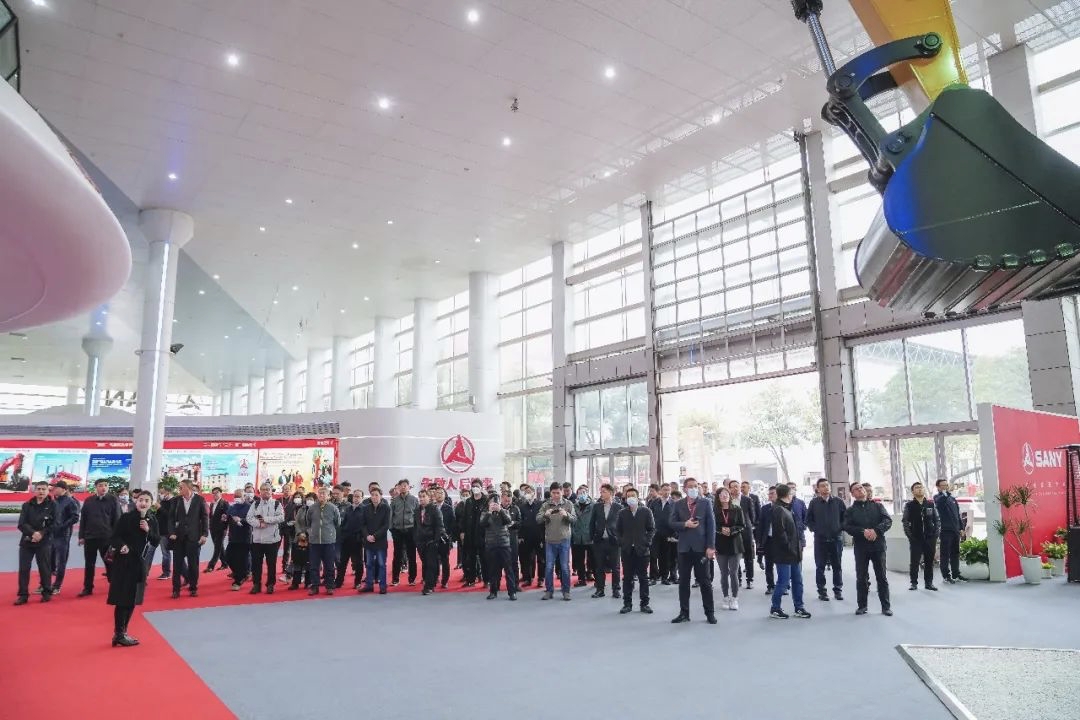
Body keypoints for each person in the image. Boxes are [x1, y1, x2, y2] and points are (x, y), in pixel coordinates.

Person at [106, 490, 160, 647]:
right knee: (122, 599)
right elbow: (114, 537)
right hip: (123, 562)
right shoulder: (126, 518)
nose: (143, 503)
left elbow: (156, 541)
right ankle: (119, 633)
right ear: (136, 501)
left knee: (133, 599)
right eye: (140, 500)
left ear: (151, 503)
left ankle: (122, 632)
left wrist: (148, 530)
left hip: (139, 563)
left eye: (147, 500)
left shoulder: (152, 520)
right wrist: (121, 546)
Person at [669, 478, 717, 624]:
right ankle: (684, 613)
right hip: (684, 549)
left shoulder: (706, 503)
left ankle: (710, 613)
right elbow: (672, 523)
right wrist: (685, 524)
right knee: (683, 582)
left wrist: (711, 546)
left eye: (696, 486)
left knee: (705, 582)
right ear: (684, 489)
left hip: (701, 548)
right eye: (690, 486)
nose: (694, 489)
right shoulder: (678, 504)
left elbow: (711, 525)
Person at [844, 482, 893, 616]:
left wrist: (876, 531)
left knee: (881, 577)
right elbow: (847, 527)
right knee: (861, 577)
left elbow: (887, 521)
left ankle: (886, 607)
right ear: (852, 494)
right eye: (856, 489)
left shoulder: (878, 506)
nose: (860, 490)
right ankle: (862, 606)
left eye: (861, 487)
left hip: (878, 546)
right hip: (861, 548)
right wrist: (863, 531)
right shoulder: (850, 511)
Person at [768, 484, 811, 620]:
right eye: (792, 493)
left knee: (797, 581)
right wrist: (789, 548)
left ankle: (799, 607)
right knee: (783, 582)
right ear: (787, 495)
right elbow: (780, 533)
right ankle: (775, 608)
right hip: (784, 554)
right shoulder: (779, 509)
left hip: (794, 552)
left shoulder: (786, 508)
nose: (793, 495)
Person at [77, 478, 121, 597]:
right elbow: (83, 519)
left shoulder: (113, 500)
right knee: (89, 564)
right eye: (101, 485)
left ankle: (114, 586)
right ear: (96, 487)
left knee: (110, 562)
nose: (103, 488)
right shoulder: (89, 501)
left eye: (106, 485)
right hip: (90, 537)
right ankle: (87, 588)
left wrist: (116, 538)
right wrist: (81, 536)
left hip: (107, 538)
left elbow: (117, 519)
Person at [806, 478, 846, 602]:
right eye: (822, 486)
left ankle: (838, 590)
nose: (826, 487)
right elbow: (808, 519)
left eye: (827, 485)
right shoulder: (814, 503)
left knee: (837, 566)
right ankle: (822, 591)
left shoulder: (838, 502)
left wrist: (839, 528)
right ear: (818, 489)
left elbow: (845, 518)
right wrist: (816, 529)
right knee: (820, 566)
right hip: (820, 540)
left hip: (836, 539)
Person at [15, 481, 55, 605]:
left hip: (44, 542)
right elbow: (22, 524)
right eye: (39, 489)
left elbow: (55, 524)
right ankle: (23, 595)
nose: (41, 491)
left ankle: (46, 592)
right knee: (24, 568)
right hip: (27, 541)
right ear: (34, 490)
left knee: (44, 568)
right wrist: (33, 533)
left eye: (43, 489)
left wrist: (41, 534)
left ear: (48, 491)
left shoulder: (53, 505)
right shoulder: (27, 505)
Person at [616, 487, 655, 615]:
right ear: (625, 499)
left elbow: (651, 529)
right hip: (627, 550)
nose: (631, 498)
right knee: (627, 578)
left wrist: (646, 542)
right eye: (628, 496)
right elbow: (618, 530)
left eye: (633, 495)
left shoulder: (646, 511)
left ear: (638, 497)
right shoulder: (622, 513)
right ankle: (627, 604)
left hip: (642, 550)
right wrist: (622, 542)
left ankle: (645, 604)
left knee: (643, 578)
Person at [168, 479, 208, 599]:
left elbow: (205, 518)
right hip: (178, 537)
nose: (179, 489)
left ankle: (193, 588)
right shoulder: (175, 500)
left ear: (188, 488)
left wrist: (204, 534)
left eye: (181, 487)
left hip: (194, 537)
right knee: (177, 565)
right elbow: (170, 518)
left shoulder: (200, 500)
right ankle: (176, 589)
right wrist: (171, 532)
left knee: (193, 565)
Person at [537, 483, 576, 601]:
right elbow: (538, 519)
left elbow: (574, 519)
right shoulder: (545, 505)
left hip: (564, 540)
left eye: (558, 493)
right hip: (550, 540)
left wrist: (566, 515)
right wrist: (545, 515)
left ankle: (566, 591)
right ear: (550, 493)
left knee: (564, 567)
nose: (556, 495)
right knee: (549, 567)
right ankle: (549, 591)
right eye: (553, 493)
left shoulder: (568, 504)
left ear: (562, 492)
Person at [247, 483, 284, 595]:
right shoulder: (255, 503)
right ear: (260, 492)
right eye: (263, 489)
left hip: (272, 540)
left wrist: (266, 520)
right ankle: (256, 584)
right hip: (257, 540)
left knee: (271, 564)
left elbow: (281, 517)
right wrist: (259, 524)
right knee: (256, 564)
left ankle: (270, 584)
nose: (266, 491)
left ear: (271, 491)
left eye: (268, 489)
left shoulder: (276, 503)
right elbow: (249, 518)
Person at [903, 482, 940, 592]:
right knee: (915, 562)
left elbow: (937, 520)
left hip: (930, 538)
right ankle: (914, 583)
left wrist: (935, 534)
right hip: (916, 538)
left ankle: (929, 583)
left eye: (921, 487)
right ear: (913, 491)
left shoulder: (930, 504)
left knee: (929, 561)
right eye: (917, 488)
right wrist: (910, 536)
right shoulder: (909, 505)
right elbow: (905, 521)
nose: (919, 489)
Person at [480, 493, 517, 600]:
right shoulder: (485, 513)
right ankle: (493, 591)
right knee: (493, 570)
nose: (494, 504)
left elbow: (508, 521)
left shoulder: (504, 511)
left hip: (504, 544)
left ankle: (512, 592)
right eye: (492, 502)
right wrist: (489, 512)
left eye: (496, 502)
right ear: (488, 503)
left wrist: (500, 510)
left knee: (508, 569)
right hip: (491, 544)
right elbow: (482, 524)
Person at [713, 487, 745, 611]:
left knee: (733, 572)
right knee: (724, 573)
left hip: (735, 543)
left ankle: (735, 598)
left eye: (726, 493)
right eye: (721, 494)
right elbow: (712, 525)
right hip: (720, 543)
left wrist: (731, 530)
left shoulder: (737, 509)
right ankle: (725, 597)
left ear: (729, 495)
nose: (724, 496)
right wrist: (721, 530)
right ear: (718, 497)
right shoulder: (714, 510)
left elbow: (742, 525)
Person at [306, 485, 341, 596]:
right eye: (320, 493)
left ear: (328, 496)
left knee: (329, 565)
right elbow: (308, 522)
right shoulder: (312, 508)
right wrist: (311, 533)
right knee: (314, 566)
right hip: (314, 542)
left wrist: (330, 532)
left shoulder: (333, 508)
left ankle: (329, 586)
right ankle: (314, 586)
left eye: (324, 493)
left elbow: (338, 522)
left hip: (329, 542)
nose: (321, 495)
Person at [589, 484, 621, 600]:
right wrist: (592, 538)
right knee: (599, 566)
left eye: (604, 491)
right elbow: (592, 523)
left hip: (614, 541)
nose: (601, 494)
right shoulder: (597, 506)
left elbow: (622, 524)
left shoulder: (618, 507)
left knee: (615, 567)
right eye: (601, 491)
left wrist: (620, 538)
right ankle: (600, 589)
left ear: (611, 493)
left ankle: (616, 589)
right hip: (599, 541)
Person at [49, 480, 79, 595]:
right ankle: (45, 584)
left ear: (64, 489)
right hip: (52, 535)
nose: (54, 489)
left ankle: (57, 585)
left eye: (56, 487)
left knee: (61, 561)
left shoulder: (70, 501)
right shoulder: (54, 501)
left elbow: (75, 517)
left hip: (63, 535)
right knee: (49, 560)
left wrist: (62, 526)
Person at [360, 487, 391, 594]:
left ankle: (383, 586)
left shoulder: (386, 508)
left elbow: (386, 525)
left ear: (381, 496)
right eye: (372, 495)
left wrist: (375, 536)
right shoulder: (366, 508)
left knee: (381, 564)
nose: (374, 497)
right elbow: (363, 524)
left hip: (380, 541)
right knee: (369, 564)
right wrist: (367, 536)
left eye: (376, 495)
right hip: (368, 541)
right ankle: (369, 585)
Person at [414, 489, 444, 595]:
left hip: (431, 541)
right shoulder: (417, 510)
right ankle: (432, 581)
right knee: (425, 563)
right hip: (420, 542)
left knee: (431, 564)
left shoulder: (435, 509)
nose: (421, 499)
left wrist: (435, 541)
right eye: (420, 497)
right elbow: (415, 526)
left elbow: (439, 526)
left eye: (424, 496)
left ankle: (429, 586)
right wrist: (416, 539)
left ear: (428, 497)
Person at [389, 479, 418, 587]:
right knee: (397, 555)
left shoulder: (414, 500)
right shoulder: (395, 500)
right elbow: (391, 516)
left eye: (405, 485)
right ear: (398, 487)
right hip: (398, 531)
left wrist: (416, 530)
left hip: (411, 530)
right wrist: (392, 529)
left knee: (412, 556)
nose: (403, 487)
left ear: (409, 487)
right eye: (401, 485)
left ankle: (412, 579)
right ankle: (395, 579)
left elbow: (417, 516)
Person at [934, 478, 963, 583]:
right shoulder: (938, 498)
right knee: (945, 554)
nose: (945, 487)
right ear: (938, 487)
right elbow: (941, 501)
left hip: (955, 530)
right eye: (943, 485)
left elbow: (957, 515)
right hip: (945, 530)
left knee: (955, 553)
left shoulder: (952, 499)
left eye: (946, 485)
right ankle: (946, 575)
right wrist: (947, 493)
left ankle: (956, 574)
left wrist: (961, 528)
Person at [728, 480, 756, 589]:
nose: (735, 488)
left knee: (748, 556)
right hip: (733, 531)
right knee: (735, 556)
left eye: (737, 486)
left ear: (740, 487)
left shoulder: (747, 499)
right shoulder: (727, 500)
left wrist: (749, 526)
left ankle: (750, 580)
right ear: (729, 489)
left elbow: (752, 516)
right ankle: (738, 579)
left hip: (746, 531)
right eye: (732, 487)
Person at [337, 489, 366, 590]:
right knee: (342, 562)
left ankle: (357, 582)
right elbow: (344, 523)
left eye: (358, 496)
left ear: (362, 498)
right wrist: (342, 534)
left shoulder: (364, 509)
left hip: (357, 540)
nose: (356, 498)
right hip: (346, 539)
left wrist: (361, 537)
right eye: (354, 496)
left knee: (358, 563)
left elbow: (365, 525)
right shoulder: (348, 508)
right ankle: (339, 581)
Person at [517, 485, 545, 587]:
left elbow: (544, 521)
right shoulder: (522, 507)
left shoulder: (540, 505)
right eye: (526, 493)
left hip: (539, 536)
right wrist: (520, 536)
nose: (527, 494)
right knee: (527, 559)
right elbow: (520, 522)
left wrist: (543, 536)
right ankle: (527, 578)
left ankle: (541, 579)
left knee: (541, 559)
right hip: (526, 537)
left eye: (529, 492)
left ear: (534, 493)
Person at [648, 483, 677, 585]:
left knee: (665, 557)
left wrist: (674, 534)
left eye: (668, 490)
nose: (666, 492)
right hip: (655, 534)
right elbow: (649, 517)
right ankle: (653, 577)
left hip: (667, 534)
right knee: (653, 556)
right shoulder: (654, 502)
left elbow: (676, 519)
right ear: (660, 490)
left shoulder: (674, 504)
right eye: (664, 489)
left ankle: (664, 577)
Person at [226, 488, 253, 590]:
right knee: (228, 557)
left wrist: (241, 519)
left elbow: (252, 520)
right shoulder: (232, 507)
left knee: (242, 559)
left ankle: (238, 580)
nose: (236, 498)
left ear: (244, 496)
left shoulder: (249, 507)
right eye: (235, 496)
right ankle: (240, 573)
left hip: (244, 537)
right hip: (233, 537)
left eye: (238, 496)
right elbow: (228, 518)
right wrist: (224, 518)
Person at [755, 486, 778, 593]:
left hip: (780, 541)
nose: (770, 495)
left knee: (781, 564)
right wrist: (759, 541)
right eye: (769, 493)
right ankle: (770, 585)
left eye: (773, 493)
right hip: (768, 540)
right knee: (769, 564)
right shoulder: (765, 508)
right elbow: (760, 526)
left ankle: (783, 585)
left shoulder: (784, 508)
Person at [570, 487, 595, 587]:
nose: (582, 495)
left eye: (584, 492)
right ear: (577, 495)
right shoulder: (573, 506)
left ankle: (592, 574)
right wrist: (573, 533)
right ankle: (581, 579)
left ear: (587, 493)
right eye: (580, 493)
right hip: (577, 537)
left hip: (590, 536)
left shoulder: (593, 506)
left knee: (593, 559)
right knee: (579, 559)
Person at [432, 486, 454, 589]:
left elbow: (452, 524)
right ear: (434, 495)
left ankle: (445, 580)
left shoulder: (449, 508)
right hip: (433, 538)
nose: (439, 495)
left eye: (441, 493)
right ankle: (435, 577)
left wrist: (448, 536)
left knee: (445, 560)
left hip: (445, 539)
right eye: (437, 493)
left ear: (445, 495)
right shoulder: (431, 508)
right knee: (434, 559)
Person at [205, 487, 228, 573]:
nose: (215, 494)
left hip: (221, 529)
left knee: (217, 547)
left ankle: (211, 566)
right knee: (220, 546)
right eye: (213, 493)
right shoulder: (212, 504)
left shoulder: (224, 503)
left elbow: (227, 516)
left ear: (221, 493)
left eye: (217, 492)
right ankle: (225, 563)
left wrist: (225, 527)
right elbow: (211, 516)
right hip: (212, 528)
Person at [155, 484, 176, 580]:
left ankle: (167, 572)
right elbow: (159, 515)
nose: (160, 494)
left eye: (162, 492)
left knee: (168, 553)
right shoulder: (163, 501)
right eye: (160, 493)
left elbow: (171, 516)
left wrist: (160, 508)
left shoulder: (174, 501)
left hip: (169, 531)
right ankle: (166, 572)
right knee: (165, 552)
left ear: (167, 492)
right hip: (161, 530)